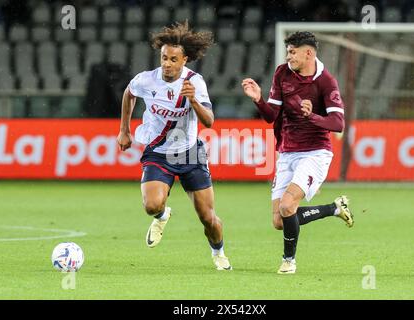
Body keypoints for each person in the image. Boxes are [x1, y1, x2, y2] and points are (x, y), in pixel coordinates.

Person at [117, 21, 232, 271]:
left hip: (190, 154)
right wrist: (124, 130)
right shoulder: (147, 80)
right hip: (158, 154)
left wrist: (193, 101)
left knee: (208, 219)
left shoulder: (195, 83)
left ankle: (219, 253)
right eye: (164, 58)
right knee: (151, 205)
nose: (167, 64)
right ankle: (162, 216)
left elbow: (209, 122)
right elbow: (129, 93)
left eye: (173, 59)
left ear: (184, 60)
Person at [242, 31, 354, 274]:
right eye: (288, 51)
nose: (288, 56)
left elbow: (338, 124)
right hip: (287, 152)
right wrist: (258, 100)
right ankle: (334, 208)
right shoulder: (282, 73)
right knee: (279, 220)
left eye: (293, 52)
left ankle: (288, 261)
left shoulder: (326, 81)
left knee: (287, 205)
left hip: (315, 153)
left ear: (308, 53)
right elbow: (271, 116)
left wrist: (311, 116)